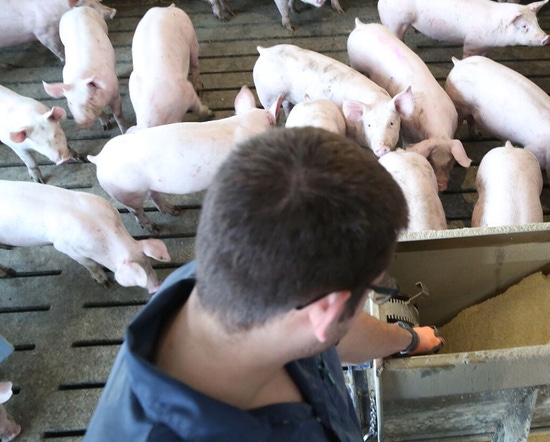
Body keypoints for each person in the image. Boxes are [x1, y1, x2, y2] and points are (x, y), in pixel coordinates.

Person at [84, 127, 445, 441]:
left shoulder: (239, 269)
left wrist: (408, 339)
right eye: (372, 288)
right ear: (327, 308)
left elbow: (340, 335)